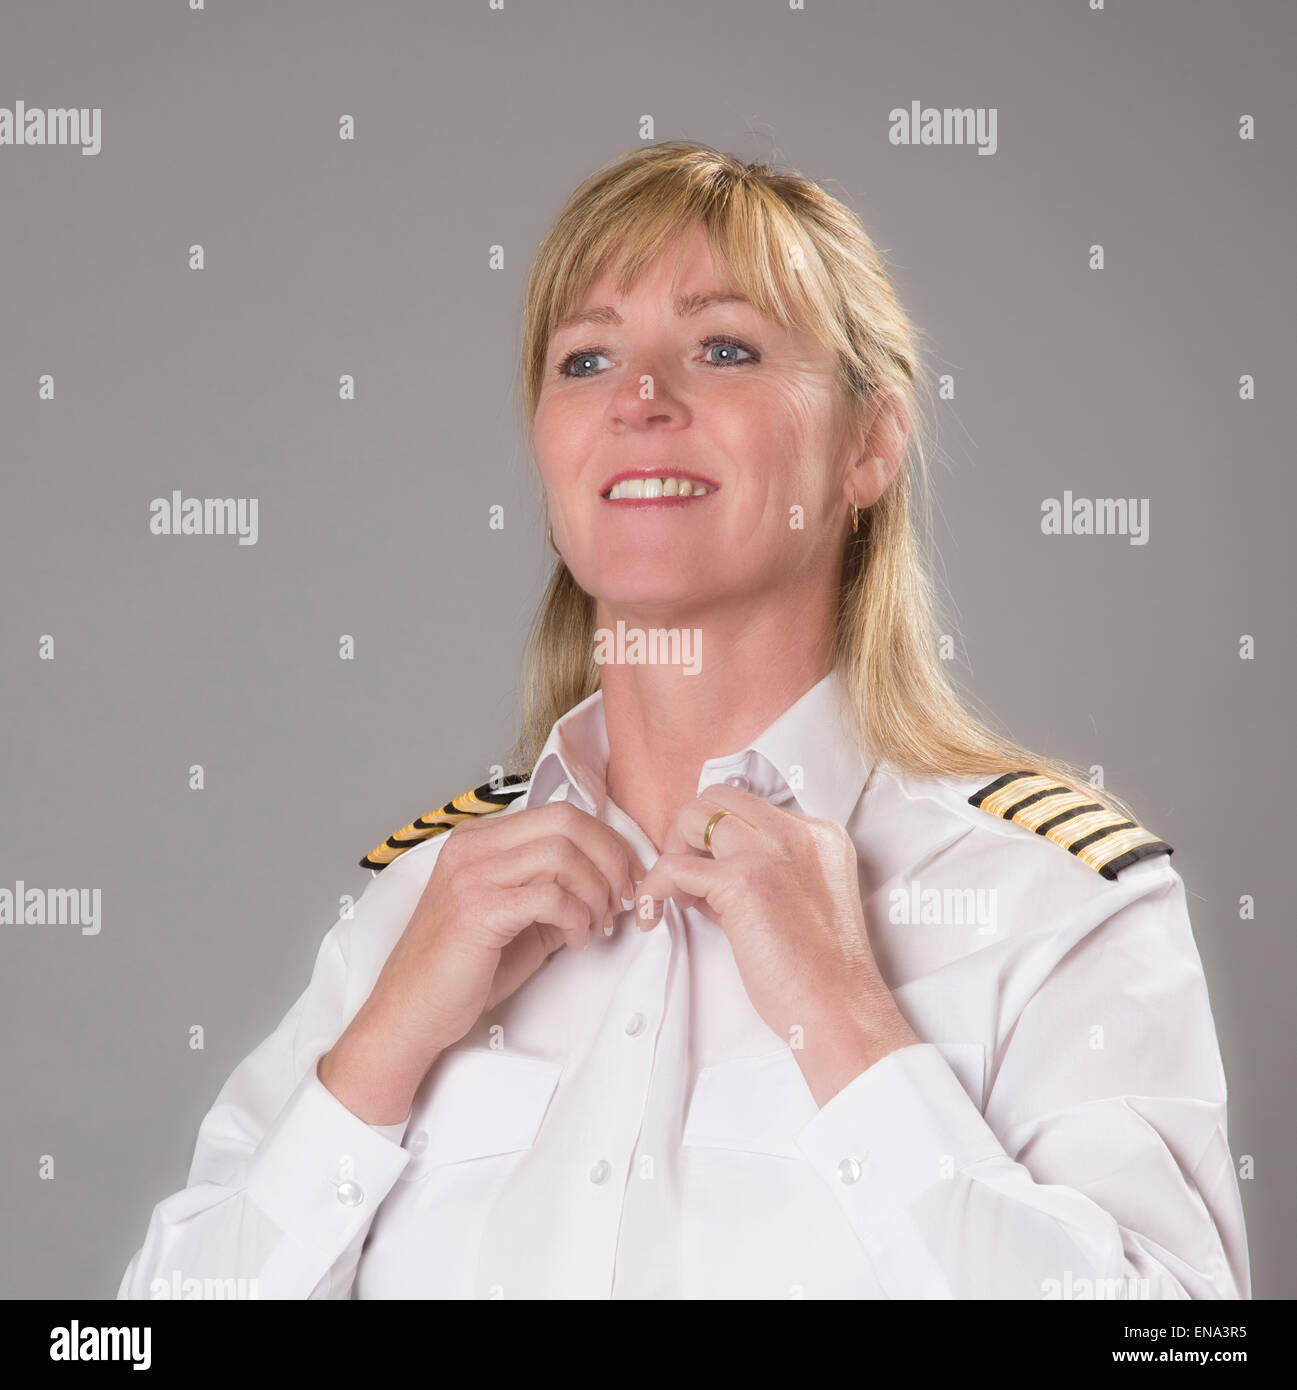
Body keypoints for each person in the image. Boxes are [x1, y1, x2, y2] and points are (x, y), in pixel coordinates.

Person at [118, 141, 1249, 1300]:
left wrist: (843, 1016)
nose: (639, 398)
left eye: (723, 348)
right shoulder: (419, 905)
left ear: (868, 445)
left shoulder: (1047, 899)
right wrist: (378, 1053)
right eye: (587, 358)